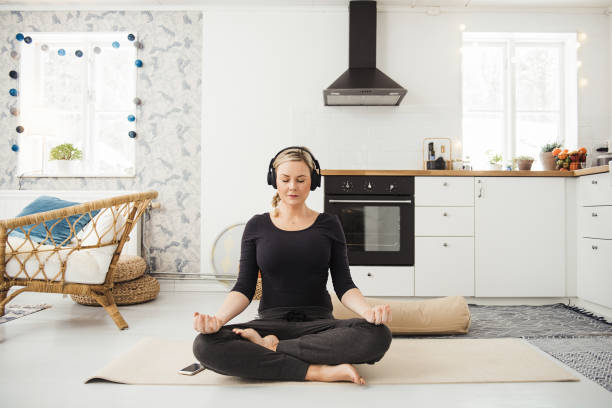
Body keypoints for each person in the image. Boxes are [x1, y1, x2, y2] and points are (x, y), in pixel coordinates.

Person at [192, 146, 392, 385]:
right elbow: (244, 287)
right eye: (285, 179)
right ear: (274, 180)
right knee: (205, 344)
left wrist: (367, 312)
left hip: (320, 326)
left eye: (301, 180)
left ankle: (272, 349)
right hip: (270, 322)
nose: (292, 187)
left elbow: (344, 284)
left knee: (377, 335)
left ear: (312, 182)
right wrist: (218, 321)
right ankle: (316, 371)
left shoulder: (329, 224)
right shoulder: (257, 225)